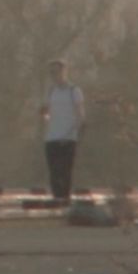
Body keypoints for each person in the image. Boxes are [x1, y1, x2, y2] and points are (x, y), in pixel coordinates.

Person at [40, 59, 86, 203]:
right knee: (53, 171)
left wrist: (74, 133)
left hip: (68, 137)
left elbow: (80, 115)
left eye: (56, 72)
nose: (54, 75)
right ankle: (56, 199)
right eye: (51, 72)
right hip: (51, 137)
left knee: (65, 171)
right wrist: (45, 117)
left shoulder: (74, 91)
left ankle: (64, 199)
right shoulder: (51, 91)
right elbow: (46, 113)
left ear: (64, 72)